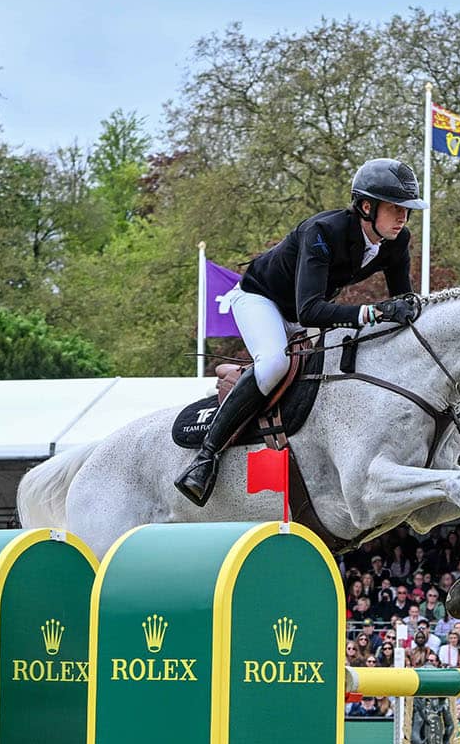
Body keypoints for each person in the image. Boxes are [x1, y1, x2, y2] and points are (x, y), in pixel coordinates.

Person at [174, 158, 428, 505]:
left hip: (304, 310)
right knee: (275, 364)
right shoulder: (323, 232)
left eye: (407, 210)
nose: (403, 217)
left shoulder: (397, 241)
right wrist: (375, 311)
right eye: (395, 208)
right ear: (366, 207)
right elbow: (311, 310)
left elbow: (402, 300)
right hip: (261, 300)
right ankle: (205, 458)